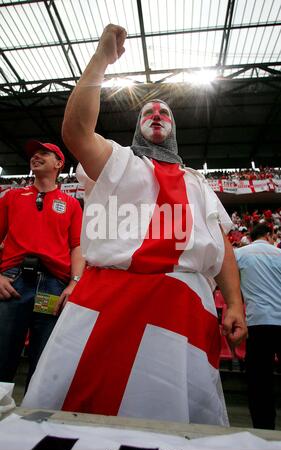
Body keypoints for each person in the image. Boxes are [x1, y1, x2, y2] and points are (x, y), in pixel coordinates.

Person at [22, 25, 247, 425]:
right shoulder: (119, 159)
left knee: (177, 428)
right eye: (148, 111)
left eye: (164, 113)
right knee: (80, 418)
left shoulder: (199, 182)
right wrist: (102, 59)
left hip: (184, 310)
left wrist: (233, 304)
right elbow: (75, 131)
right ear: (137, 127)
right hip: (111, 301)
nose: (157, 115)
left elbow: (222, 246)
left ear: (174, 129)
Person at [0, 140, 84, 387]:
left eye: (43, 154)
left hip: (53, 286)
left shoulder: (71, 204)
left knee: (44, 358)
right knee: (3, 355)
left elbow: (77, 247)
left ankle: (36, 419)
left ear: (59, 164)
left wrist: (74, 283)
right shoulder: (12, 197)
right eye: (33, 155)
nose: (35, 157)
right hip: (12, 283)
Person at [235, 223, 281, 429]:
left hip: (259, 323)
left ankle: (264, 428)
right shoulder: (278, 254)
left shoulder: (240, 254)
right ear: (270, 235)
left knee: (260, 382)